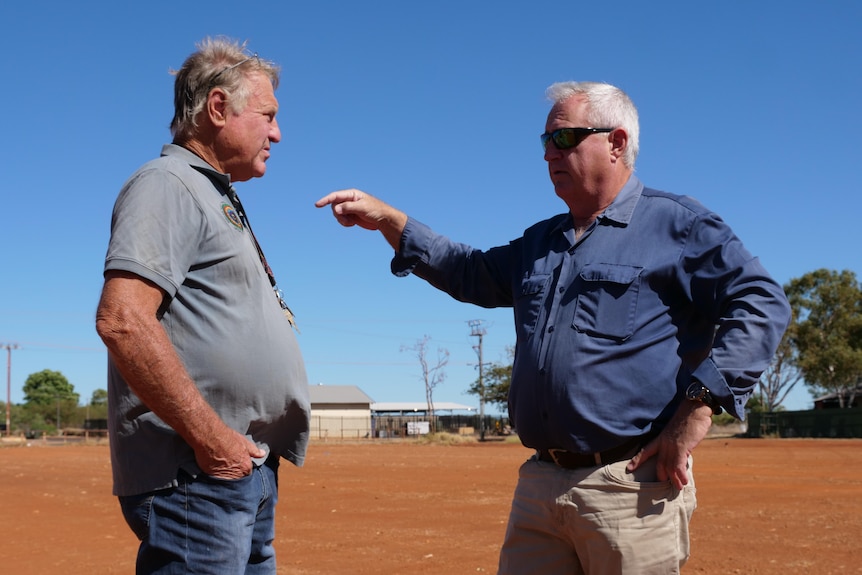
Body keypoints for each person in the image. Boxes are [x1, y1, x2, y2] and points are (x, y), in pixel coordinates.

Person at [315, 81, 791, 574]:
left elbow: (762, 303)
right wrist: (391, 221)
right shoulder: (541, 241)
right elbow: (468, 271)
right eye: (544, 142)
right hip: (540, 484)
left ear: (617, 142)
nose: (548, 154)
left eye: (563, 139)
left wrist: (698, 407)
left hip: (629, 485)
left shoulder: (679, 226)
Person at [95, 37, 310, 575]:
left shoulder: (210, 193)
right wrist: (214, 442)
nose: (277, 133)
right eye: (268, 116)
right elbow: (123, 320)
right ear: (218, 108)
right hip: (198, 473)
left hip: (237, 471)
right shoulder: (167, 184)